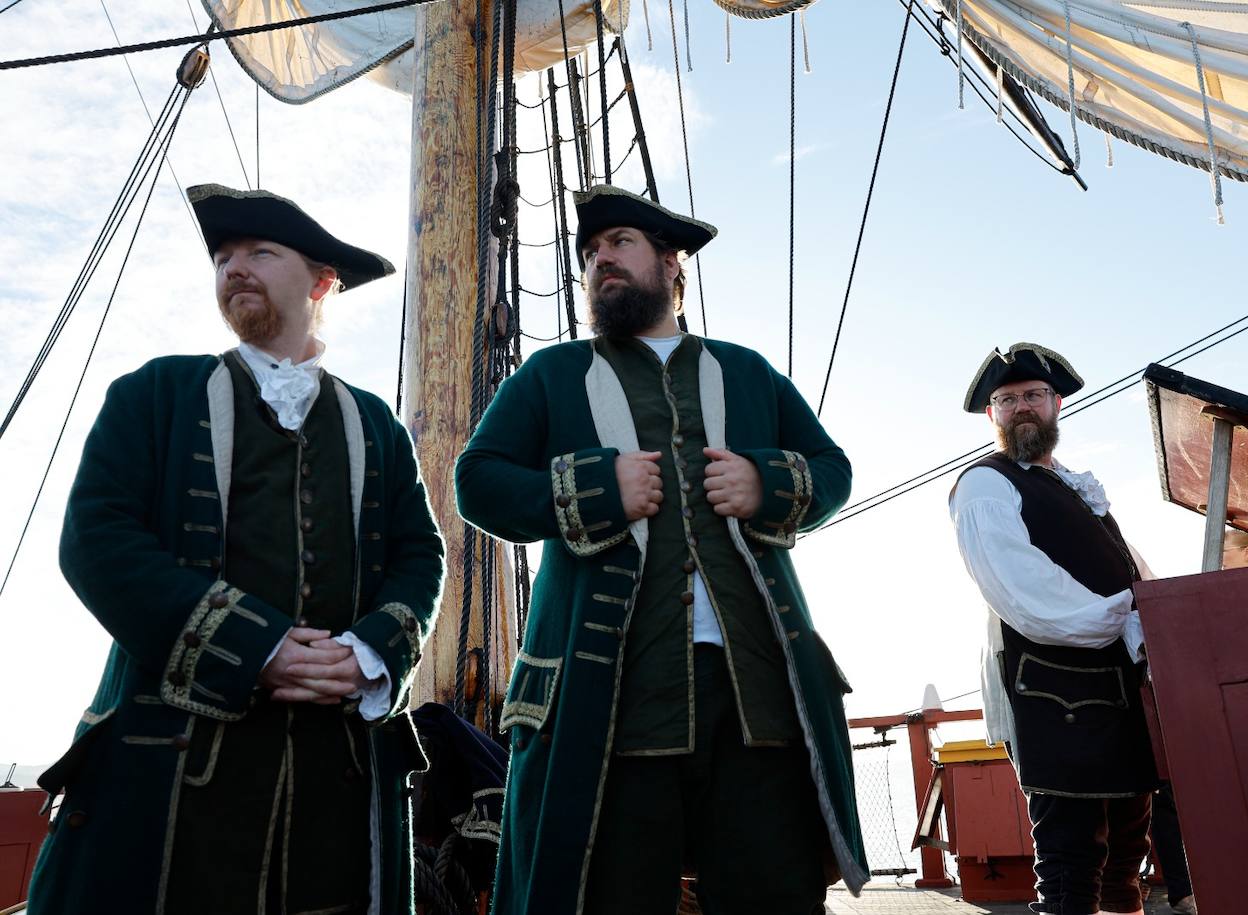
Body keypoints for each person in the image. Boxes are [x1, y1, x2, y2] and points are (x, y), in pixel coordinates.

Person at [28, 184, 445, 915]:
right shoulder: (153, 394)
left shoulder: (375, 423)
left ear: (321, 282)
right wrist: (259, 648)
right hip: (172, 789)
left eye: (259, 251)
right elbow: (95, 539)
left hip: (334, 787)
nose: (234, 268)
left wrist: (367, 655)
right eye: (223, 257)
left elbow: (421, 556)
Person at [454, 184, 868, 915]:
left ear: (673, 264)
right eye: (589, 254)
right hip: (608, 700)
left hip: (755, 698)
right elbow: (477, 483)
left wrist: (764, 481)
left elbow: (832, 469)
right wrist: (594, 486)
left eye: (619, 243)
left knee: (772, 895)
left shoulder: (747, 371)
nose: (599, 261)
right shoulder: (551, 377)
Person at [949, 343, 1159, 915]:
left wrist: (1157, 619)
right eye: (1007, 399)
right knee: (1069, 859)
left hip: (1116, 689)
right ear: (993, 414)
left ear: (1056, 405)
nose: (1022, 407)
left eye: (1033, 396)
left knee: (1125, 852)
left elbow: (1133, 570)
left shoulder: (1074, 487)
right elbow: (1024, 590)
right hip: (1054, 690)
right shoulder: (986, 485)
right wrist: (1126, 615)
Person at [1146, 526, 1248, 915]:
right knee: (1169, 801)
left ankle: (1203, 887)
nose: (1216, 554)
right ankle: (1187, 889)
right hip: (1206, 712)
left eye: (1225, 547)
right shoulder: (1216, 595)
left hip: (1240, 715)